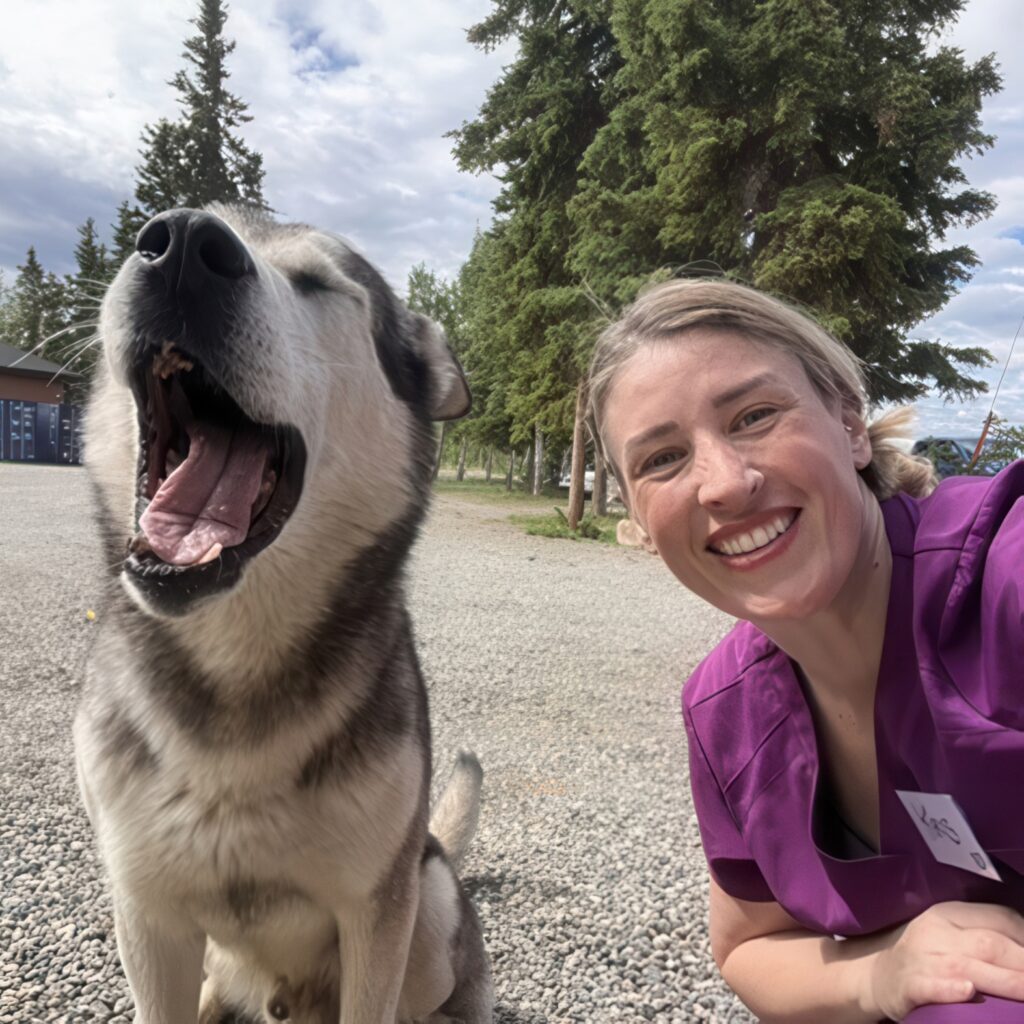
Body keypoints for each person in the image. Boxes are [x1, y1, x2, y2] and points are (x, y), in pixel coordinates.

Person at [587, 277, 1024, 1023]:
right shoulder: (726, 712)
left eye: (754, 416)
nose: (724, 484)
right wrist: (880, 972)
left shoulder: (1004, 581)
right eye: (661, 459)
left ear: (850, 423)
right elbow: (748, 947)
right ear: (637, 518)